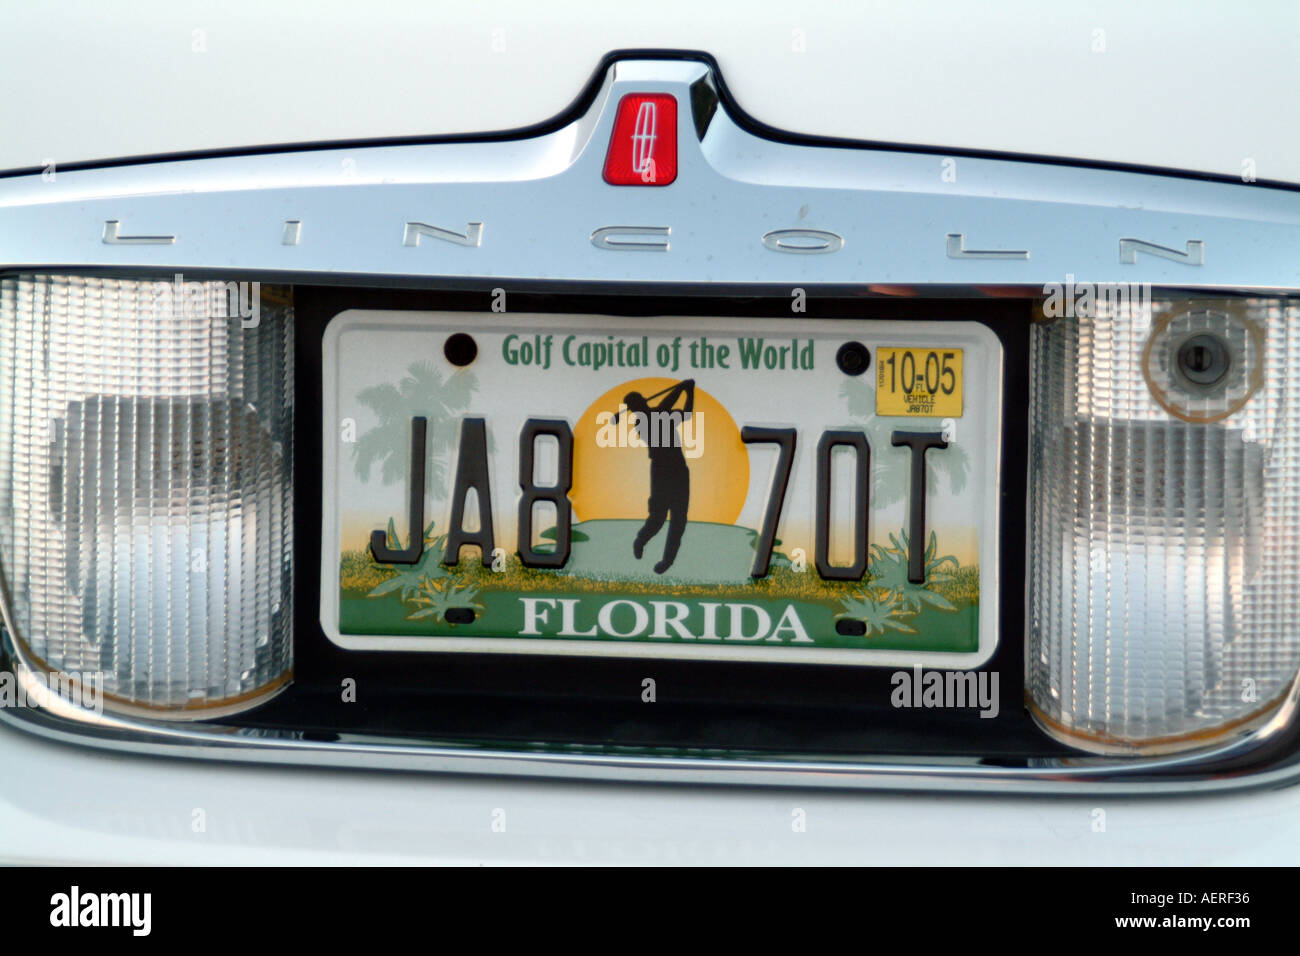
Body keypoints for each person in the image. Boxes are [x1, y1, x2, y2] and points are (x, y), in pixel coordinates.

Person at [622, 379, 694, 573]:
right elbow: (665, 406)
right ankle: (641, 540)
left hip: (679, 470)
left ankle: (667, 561)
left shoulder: (662, 414)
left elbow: (687, 414)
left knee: (679, 519)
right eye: (633, 408)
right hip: (661, 472)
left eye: (637, 405)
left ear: (643, 402)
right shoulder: (642, 423)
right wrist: (682, 388)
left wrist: (690, 391)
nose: (636, 410)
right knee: (658, 518)